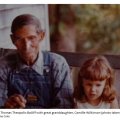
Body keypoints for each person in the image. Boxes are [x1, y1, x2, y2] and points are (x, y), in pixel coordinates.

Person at [0, 14, 73, 108]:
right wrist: (6, 108)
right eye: (20, 39)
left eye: (31, 38)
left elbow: (65, 108)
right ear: (13, 39)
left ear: (41, 36)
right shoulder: (4, 65)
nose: (26, 46)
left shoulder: (58, 64)